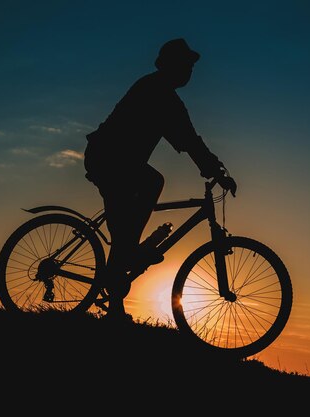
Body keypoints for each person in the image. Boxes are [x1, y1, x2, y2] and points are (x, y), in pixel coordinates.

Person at [84, 38, 237, 320]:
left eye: (191, 67)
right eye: (185, 65)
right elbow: (189, 140)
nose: (189, 71)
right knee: (150, 185)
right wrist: (216, 171)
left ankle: (116, 302)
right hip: (109, 159)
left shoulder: (165, 94)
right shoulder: (157, 92)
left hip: (118, 162)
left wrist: (214, 168)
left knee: (128, 223)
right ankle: (127, 257)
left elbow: (189, 139)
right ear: (169, 65)